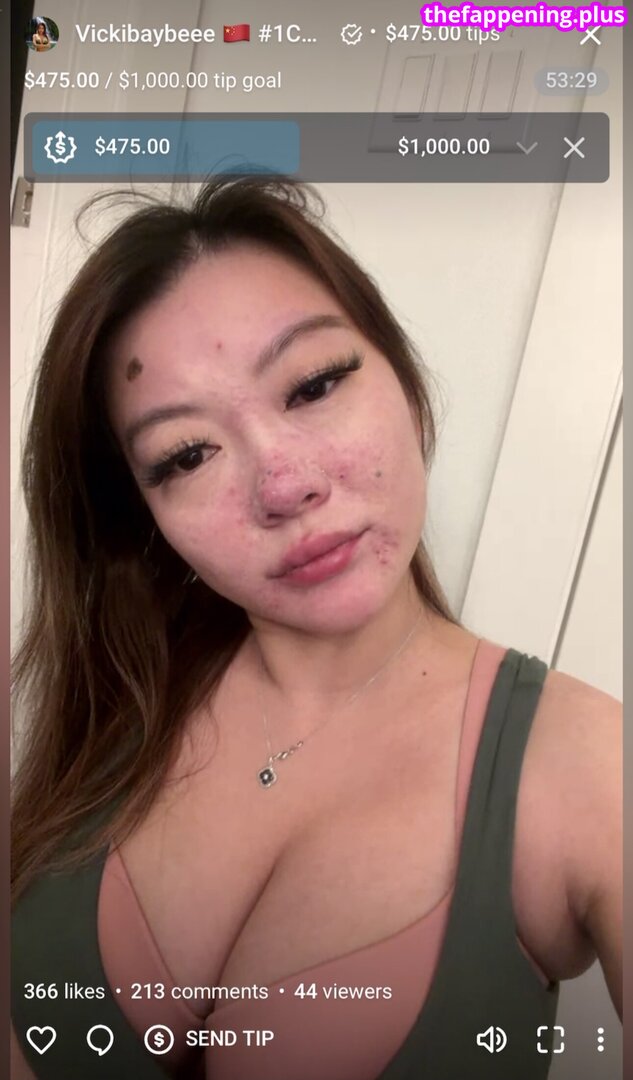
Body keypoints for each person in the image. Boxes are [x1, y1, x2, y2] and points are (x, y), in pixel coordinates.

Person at [11, 177, 621, 1079]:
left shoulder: (588, 769)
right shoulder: (117, 698)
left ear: (404, 380)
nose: (284, 484)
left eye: (313, 384)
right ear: (143, 513)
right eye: (186, 454)